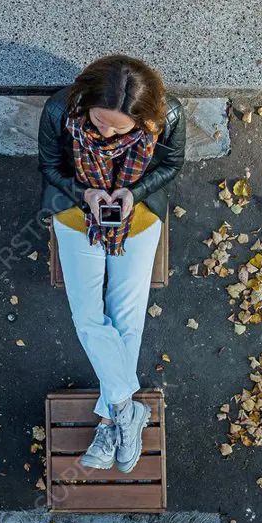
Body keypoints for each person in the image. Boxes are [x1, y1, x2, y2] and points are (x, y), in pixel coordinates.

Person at [38, 54, 185, 473]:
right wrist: (84, 193)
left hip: (134, 213)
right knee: (87, 317)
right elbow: (50, 165)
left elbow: (171, 164)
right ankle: (125, 409)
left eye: (119, 129)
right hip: (75, 207)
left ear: (144, 119)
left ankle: (110, 419)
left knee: (126, 317)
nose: (105, 133)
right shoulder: (59, 108)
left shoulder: (167, 114)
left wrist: (132, 194)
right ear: (84, 100)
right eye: (98, 122)